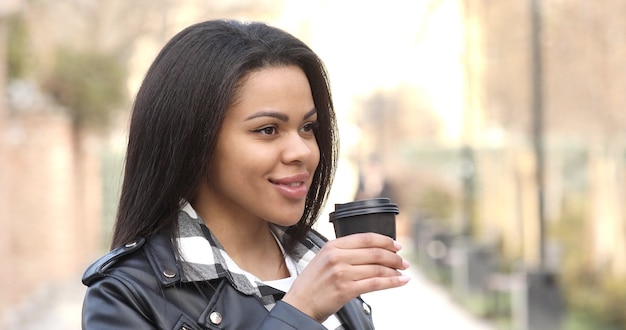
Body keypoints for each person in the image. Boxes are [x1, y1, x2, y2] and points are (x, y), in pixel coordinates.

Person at [81, 19, 410, 329]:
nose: (303, 151)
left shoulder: (320, 259)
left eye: (308, 127)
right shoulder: (126, 295)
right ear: (196, 141)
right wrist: (300, 313)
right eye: (268, 130)